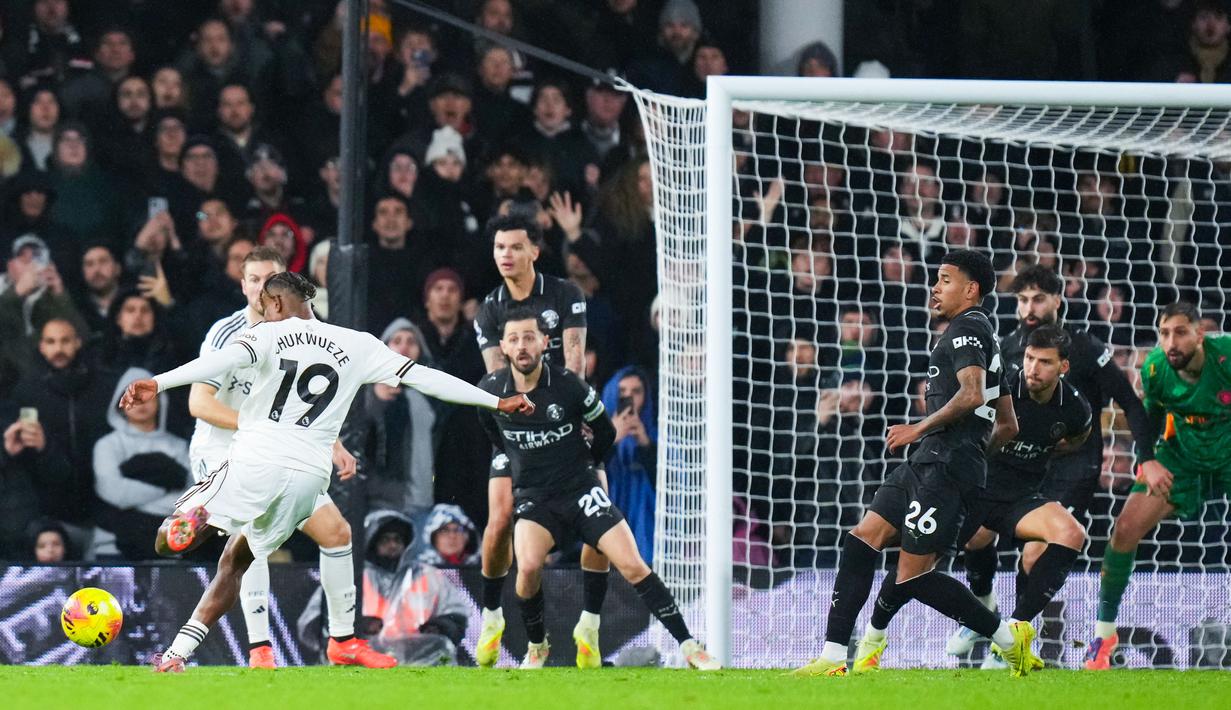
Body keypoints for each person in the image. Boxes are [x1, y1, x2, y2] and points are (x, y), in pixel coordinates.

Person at [121, 271, 532, 672]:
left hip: (255, 460)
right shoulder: (358, 344)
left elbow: (221, 360)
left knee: (166, 541)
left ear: (277, 303)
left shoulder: (266, 333)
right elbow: (425, 378)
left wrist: (157, 383)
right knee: (240, 557)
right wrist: (494, 402)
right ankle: (177, 653)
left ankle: (191, 524)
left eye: (265, 308)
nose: (262, 316)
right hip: (307, 479)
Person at [794, 249, 1036, 677]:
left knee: (913, 577)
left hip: (944, 464)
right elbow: (1009, 425)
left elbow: (971, 394)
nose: (935, 287)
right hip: (932, 461)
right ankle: (833, 657)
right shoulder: (984, 335)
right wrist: (973, 454)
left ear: (971, 289)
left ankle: (1004, 637)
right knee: (862, 539)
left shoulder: (967, 328)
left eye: (945, 279)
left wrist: (918, 430)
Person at [477, 308, 719, 670]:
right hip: (535, 498)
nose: (522, 346)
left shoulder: (569, 386)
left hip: (580, 490)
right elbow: (493, 433)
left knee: (634, 565)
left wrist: (582, 463)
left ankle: (688, 645)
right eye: (514, 339)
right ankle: (537, 645)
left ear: (545, 343)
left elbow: (605, 432)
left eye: (529, 337)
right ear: (504, 347)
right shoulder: (491, 391)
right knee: (527, 569)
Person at [183, 246, 372, 669]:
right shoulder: (226, 333)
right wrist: (259, 427)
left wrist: (333, 443)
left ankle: (344, 642)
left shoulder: (309, 331)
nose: (262, 289)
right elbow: (200, 402)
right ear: (243, 284)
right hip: (222, 449)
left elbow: (314, 398)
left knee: (337, 533)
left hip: (280, 449)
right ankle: (260, 650)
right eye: (254, 280)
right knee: (253, 538)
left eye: (271, 280)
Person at [873, 326, 1092, 668]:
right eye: (1030, 359)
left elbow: (1076, 440)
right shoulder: (1002, 390)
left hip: (1021, 498)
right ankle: (875, 634)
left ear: (1063, 367)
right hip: (976, 490)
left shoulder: (1076, 408)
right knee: (917, 563)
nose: (1033, 368)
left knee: (1072, 534)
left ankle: (1013, 632)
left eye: (1045, 362)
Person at [471, 214, 606, 670]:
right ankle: (491, 615)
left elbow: (573, 365)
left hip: (565, 421)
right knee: (499, 517)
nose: (505, 255)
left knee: (599, 518)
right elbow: (497, 378)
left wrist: (572, 420)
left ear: (534, 251)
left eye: (514, 247)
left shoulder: (565, 295)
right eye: (498, 248)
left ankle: (589, 623)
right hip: (515, 427)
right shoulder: (489, 308)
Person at [1085, 302, 1231, 670]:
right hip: (1180, 459)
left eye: (1180, 332)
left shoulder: (1226, 357)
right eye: (1164, 333)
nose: (1170, 342)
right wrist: (1146, 460)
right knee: (1126, 529)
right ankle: (1104, 636)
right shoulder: (1155, 368)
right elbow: (1147, 418)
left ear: (1201, 335)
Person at [999, 266, 1154, 543]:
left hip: (1074, 466)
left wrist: (1147, 459)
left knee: (1041, 548)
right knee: (978, 537)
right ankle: (985, 589)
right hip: (1022, 464)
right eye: (1023, 300)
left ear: (1057, 300)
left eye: (1038, 299)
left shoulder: (1084, 347)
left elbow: (1130, 403)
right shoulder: (1007, 348)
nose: (1029, 308)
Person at [300, 510, 472, 666]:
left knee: (442, 647)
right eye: (385, 539)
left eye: (397, 539)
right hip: (362, 655)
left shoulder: (428, 575)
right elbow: (316, 623)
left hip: (417, 655)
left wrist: (440, 626)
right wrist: (358, 625)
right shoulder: (351, 576)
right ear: (372, 542)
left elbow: (457, 616)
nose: (392, 545)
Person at [91, 367, 190, 560]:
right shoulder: (107, 445)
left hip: (167, 543)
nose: (140, 402)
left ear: (161, 400)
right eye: (133, 395)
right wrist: (166, 486)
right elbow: (114, 492)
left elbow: (188, 497)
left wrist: (131, 510)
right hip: (112, 544)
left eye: (147, 394)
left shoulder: (179, 446)